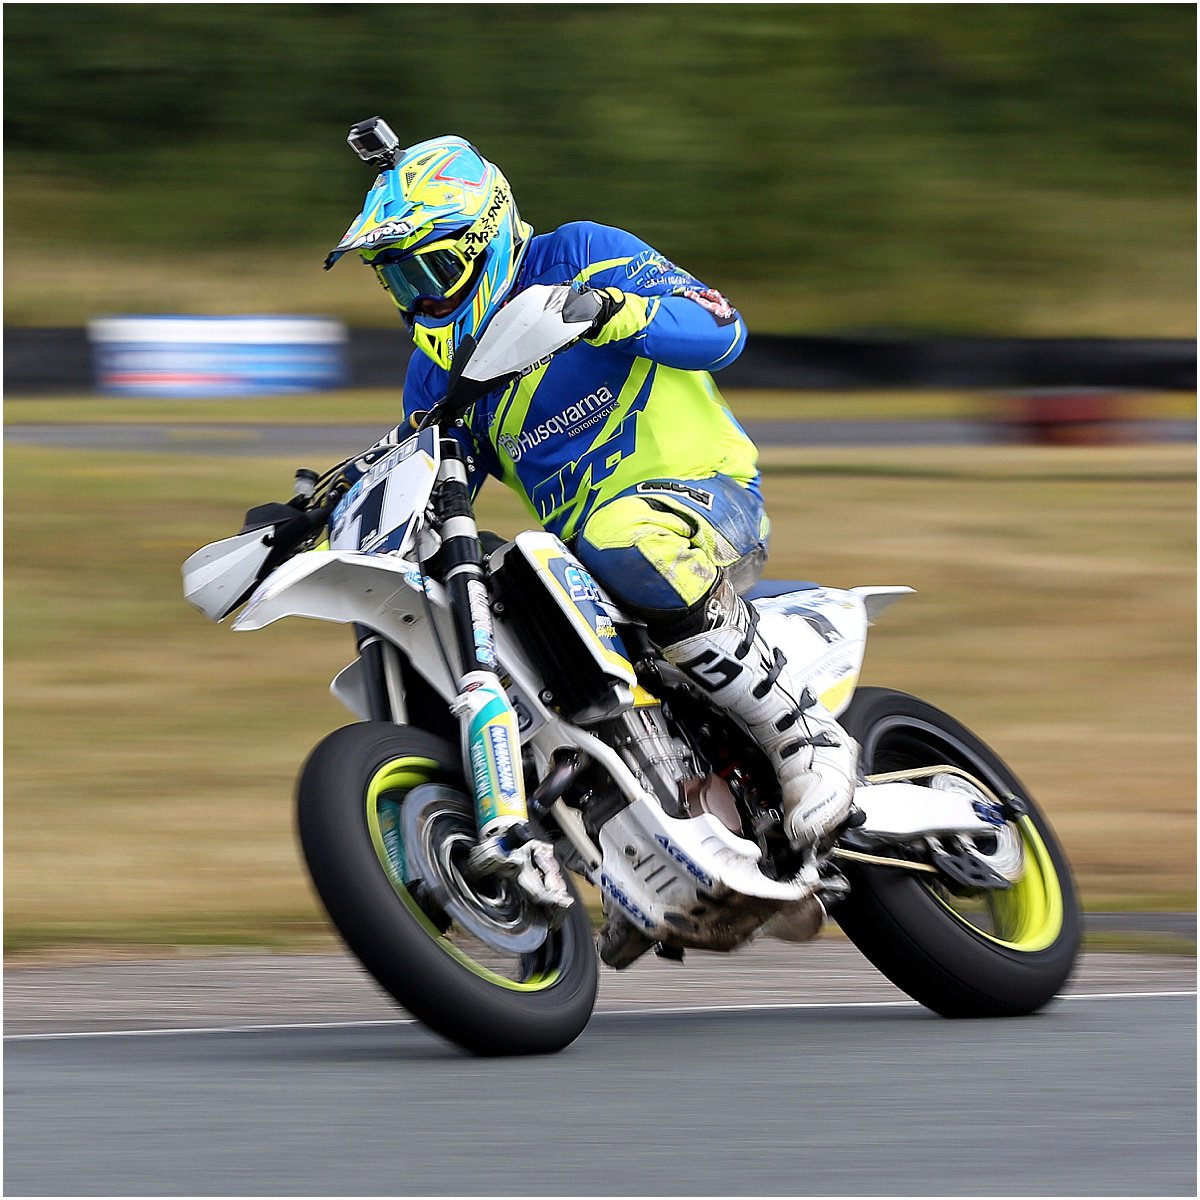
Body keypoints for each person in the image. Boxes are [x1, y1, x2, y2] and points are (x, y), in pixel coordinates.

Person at [324, 124, 856, 880]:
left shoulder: (579, 253)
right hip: (584, 565)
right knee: (437, 599)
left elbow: (720, 328)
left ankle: (806, 738)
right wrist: (346, 505)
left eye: (433, 268)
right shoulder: (432, 372)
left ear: (485, 235)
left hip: (705, 496)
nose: (421, 295)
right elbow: (437, 485)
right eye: (400, 280)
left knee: (621, 534)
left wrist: (614, 310)